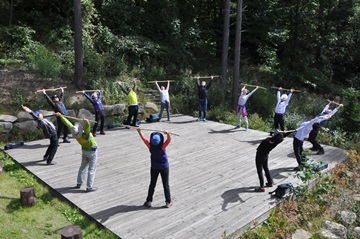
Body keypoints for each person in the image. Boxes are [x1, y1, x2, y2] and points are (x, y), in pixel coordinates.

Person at [55, 112, 98, 192]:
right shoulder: (86, 135)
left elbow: (68, 123)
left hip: (84, 151)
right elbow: (87, 127)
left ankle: (79, 183)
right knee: (92, 169)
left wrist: (61, 117)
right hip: (92, 152)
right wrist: (87, 123)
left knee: (82, 167)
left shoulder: (75, 133)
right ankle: (89, 187)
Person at [137, 127, 172, 208]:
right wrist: (168, 133)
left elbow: (144, 139)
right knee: (166, 184)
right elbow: (169, 140)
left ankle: (149, 201)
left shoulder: (150, 147)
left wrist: (139, 131)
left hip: (154, 167)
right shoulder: (162, 147)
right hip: (164, 167)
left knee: (152, 184)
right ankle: (168, 202)